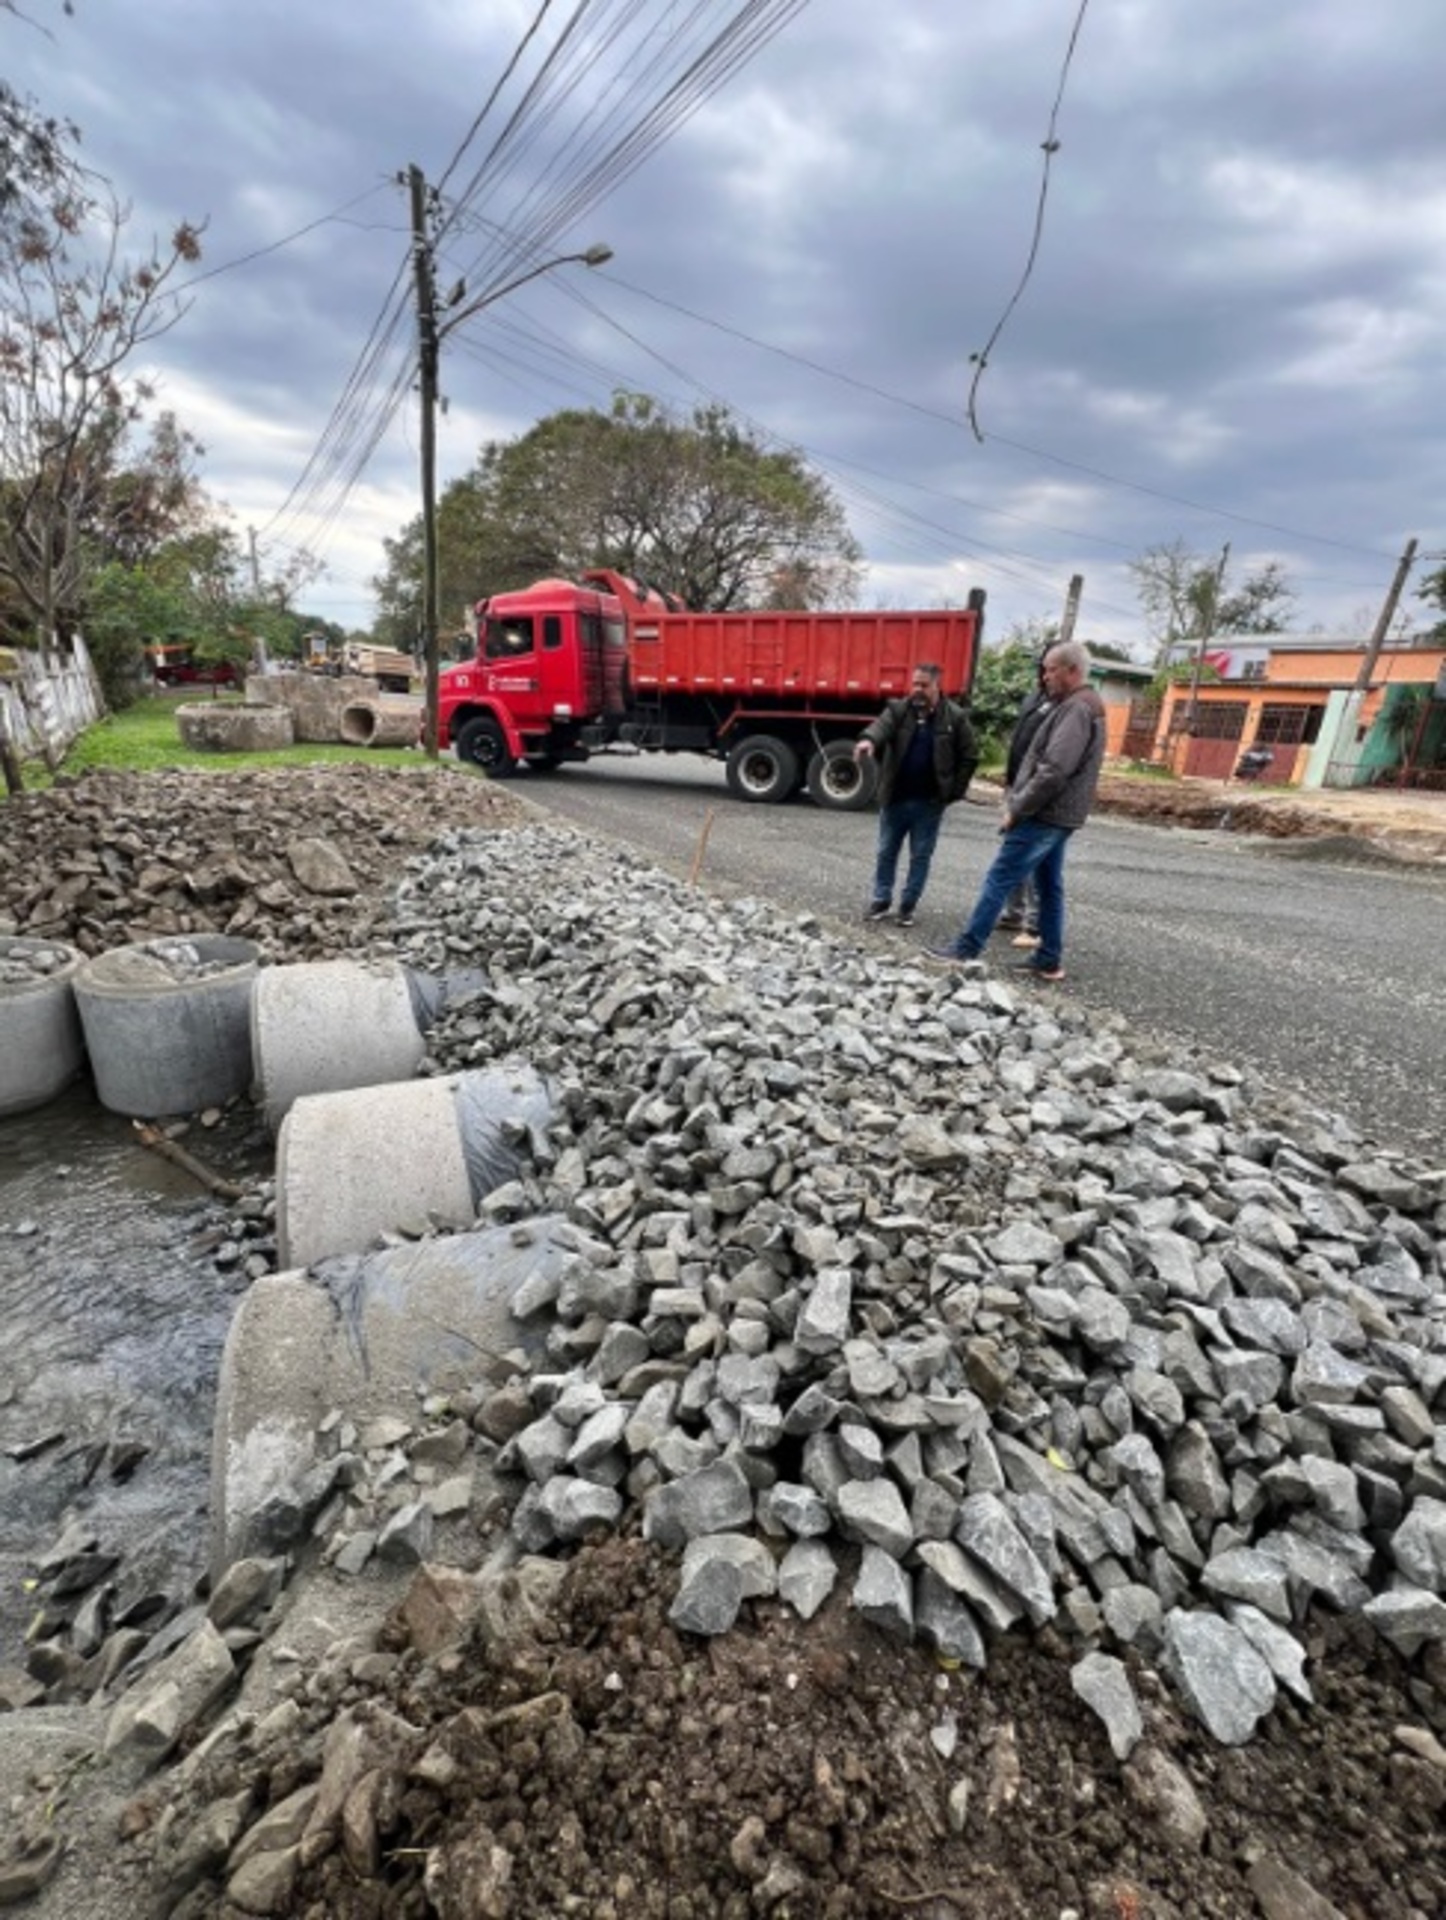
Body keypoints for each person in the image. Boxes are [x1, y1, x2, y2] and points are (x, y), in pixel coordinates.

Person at [924, 641, 1104, 982]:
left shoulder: (1076, 710)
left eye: (1052, 669)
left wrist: (1017, 809)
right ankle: (1048, 960)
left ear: (1072, 671)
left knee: (1000, 877)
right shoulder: (1079, 705)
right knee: (1049, 886)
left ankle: (965, 949)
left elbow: (1053, 770)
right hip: (1059, 815)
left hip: (1044, 814)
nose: (1045, 676)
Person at [854, 663, 978, 929]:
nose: (917, 690)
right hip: (895, 798)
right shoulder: (899, 710)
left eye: (923, 685)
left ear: (937, 686)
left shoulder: (954, 717)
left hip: (929, 804)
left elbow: (970, 756)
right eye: (915, 684)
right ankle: (881, 900)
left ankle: (907, 907)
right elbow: (880, 728)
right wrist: (868, 741)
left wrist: (953, 792)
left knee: (920, 856)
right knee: (886, 851)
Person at [996, 658, 1053, 945]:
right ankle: (1013, 912)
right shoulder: (1033, 699)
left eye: (1051, 668)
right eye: (1044, 668)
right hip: (1016, 786)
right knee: (1013, 851)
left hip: (1035, 793)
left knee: (1033, 859)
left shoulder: (1062, 705)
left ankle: (1034, 923)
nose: (1045, 674)